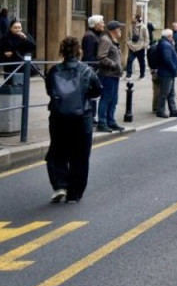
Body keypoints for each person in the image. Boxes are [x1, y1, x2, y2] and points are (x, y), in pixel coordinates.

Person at [45, 37, 102, 203]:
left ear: (62, 52)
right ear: (79, 51)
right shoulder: (87, 70)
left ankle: (60, 185)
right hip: (82, 117)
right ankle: (74, 193)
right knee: (81, 156)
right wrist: (84, 98)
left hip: (58, 117)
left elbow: (50, 91)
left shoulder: (54, 70)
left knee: (57, 152)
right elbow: (97, 91)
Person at [96, 21, 125, 133]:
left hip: (114, 75)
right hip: (108, 74)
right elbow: (101, 56)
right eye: (119, 29)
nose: (121, 31)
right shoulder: (106, 40)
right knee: (106, 98)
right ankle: (102, 123)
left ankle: (111, 121)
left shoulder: (113, 40)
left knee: (113, 99)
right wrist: (113, 64)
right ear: (114, 30)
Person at [152, 29, 177, 118]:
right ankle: (160, 110)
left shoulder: (164, 43)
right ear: (169, 36)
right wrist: (173, 68)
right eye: (171, 36)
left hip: (168, 72)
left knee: (171, 93)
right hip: (166, 72)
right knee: (165, 93)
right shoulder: (165, 45)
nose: (172, 37)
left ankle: (173, 110)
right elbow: (167, 59)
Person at [0, 20, 36, 84]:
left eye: (19, 28)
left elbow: (33, 47)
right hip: (11, 65)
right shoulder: (5, 38)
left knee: (23, 85)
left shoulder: (26, 35)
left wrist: (25, 38)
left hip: (22, 64)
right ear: (11, 28)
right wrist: (5, 54)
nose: (18, 30)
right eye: (15, 28)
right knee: (11, 83)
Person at [82, 15, 105, 123]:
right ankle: (90, 116)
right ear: (95, 25)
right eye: (101, 22)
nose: (103, 24)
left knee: (94, 93)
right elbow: (89, 55)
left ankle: (92, 116)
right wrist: (93, 69)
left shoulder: (95, 35)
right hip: (91, 69)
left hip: (94, 68)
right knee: (91, 92)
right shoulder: (90, 37)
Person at [125, 14, 149, 79]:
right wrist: (129, 44)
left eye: (133, 18)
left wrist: (144, 45)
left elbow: (146, 37)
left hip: (140, 47)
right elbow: (128, 37)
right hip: (132, 46)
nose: (132, 19)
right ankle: (128, 74)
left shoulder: (143, 27)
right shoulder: (131, 27)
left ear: (137, 19)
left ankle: (142, 74)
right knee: (129, 60)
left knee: (141, 61)